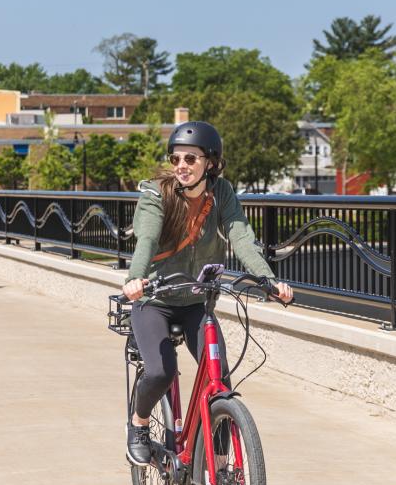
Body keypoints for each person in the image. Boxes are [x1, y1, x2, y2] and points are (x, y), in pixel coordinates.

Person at [119, 121, 294, 466]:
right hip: (155, 300)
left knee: (220, 377)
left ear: (210, 163)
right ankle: (138, 425)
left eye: (190, 159)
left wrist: (268, 280)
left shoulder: (222, 193)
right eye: (176, 159)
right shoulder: (157, 194)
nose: (181, 166)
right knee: (161, 371)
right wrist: (136, 279)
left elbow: (240, 236)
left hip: (198, 300)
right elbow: (149, 239)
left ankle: (216, 462)